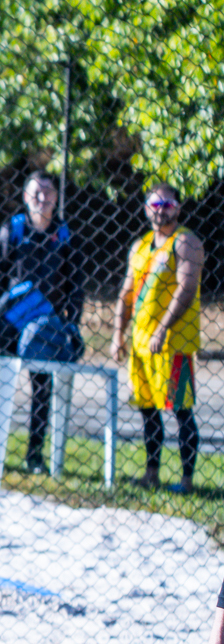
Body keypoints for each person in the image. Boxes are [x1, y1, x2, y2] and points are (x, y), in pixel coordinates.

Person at [0, 171, 79, 474]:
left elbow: (75, 285)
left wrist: (71, 323)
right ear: (25, 196)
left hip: (46, 326)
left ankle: (34, 454)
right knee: (0, 383)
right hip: (13, 321)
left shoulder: (65, 235)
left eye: (48, 191)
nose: (41, 197)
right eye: (36, 191)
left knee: (42, 387)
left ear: (56, 197)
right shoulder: (14, 229)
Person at [113, 182, 204, 493]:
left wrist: (163, 327)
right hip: (141, 346)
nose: (161, 210)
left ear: (178, 207)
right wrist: (117, 335)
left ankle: (187, 480)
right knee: (148, 412)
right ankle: (151, 474)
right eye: (155, 204)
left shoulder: (186, 242)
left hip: (173, 345)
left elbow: (187, 288)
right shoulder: (140, 246)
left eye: (167, 204)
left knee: (181, 411)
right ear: (145, 209)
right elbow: (126, 293)